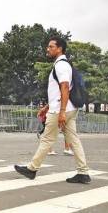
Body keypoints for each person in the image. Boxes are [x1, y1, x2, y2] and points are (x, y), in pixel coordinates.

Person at [15, 36, 90, 183]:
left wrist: (61, 111)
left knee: (47, 139)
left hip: (61, 110)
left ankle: (32, 169)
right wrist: (47, 107)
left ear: (59, 48)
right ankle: (83, 172)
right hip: (68, 108)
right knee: (73, 140)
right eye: (48, 47)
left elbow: (65, 87)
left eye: (51, 47)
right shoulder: (64, 64)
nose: (47, 49)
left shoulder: (61, 65)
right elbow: (60, 92)